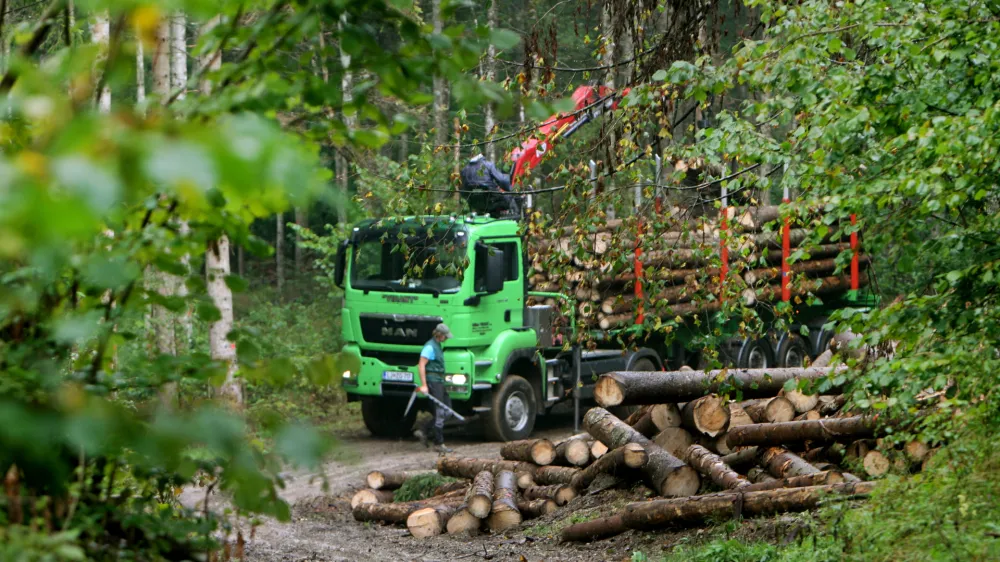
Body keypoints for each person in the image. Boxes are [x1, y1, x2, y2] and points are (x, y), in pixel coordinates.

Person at [413, 323, 455, 453]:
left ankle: (424, 430)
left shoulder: (437, 346)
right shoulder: (429, 347)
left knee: (447, 410)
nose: (446, 338)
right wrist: (424, 385)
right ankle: (439, 443)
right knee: (440, 411)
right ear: (439, 335)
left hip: (440, 381)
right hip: (433, 381)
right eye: (445, 336)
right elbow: (421, 365)